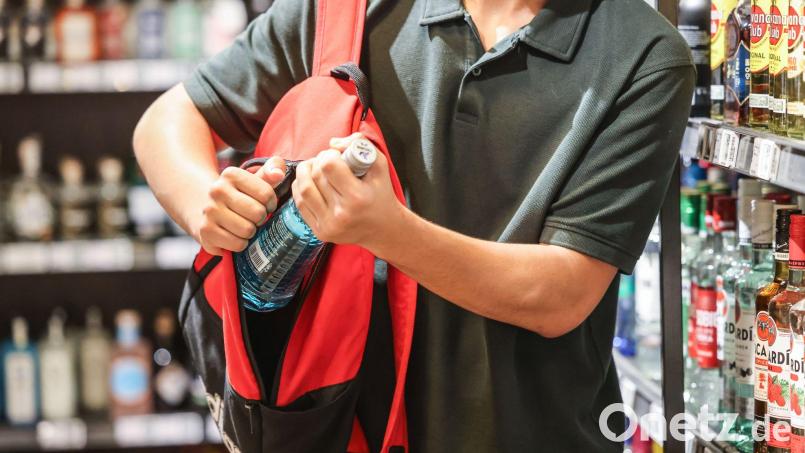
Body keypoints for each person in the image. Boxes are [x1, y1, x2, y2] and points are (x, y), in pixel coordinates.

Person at [132, 0, 695, 451]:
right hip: (338, 423)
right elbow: (169, 119)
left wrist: (388, 231)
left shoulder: (643, 55)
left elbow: (560, 294)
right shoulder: (348, 11)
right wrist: (206, 202)